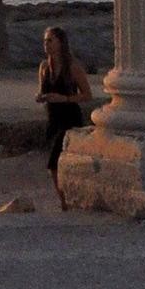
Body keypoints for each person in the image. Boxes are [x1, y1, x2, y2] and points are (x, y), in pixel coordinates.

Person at [35, 25, 92, 203]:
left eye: (51, 40)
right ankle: (66, 200)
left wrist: (65, 98)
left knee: (53, 164)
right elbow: (41, 91)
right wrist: (41, 97)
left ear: (61, 43)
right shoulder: (44, 67)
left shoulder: (72, 67)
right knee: (57, 164)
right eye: (45, 41)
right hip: (52, 118)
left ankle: (65, 202)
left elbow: (87, 95)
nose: (47, 45)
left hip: (69, 118)